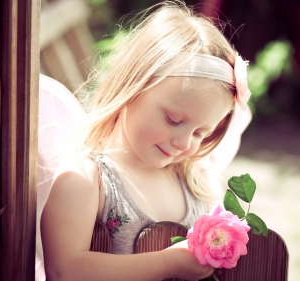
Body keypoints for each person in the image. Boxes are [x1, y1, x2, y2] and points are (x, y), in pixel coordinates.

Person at [40, 1, 252, 280]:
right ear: (133, 88)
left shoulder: (194, 182)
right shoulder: (86, 179)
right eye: (173, 120)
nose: (185, 143)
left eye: (201, 133)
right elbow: (64, 270)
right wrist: (168, 263)